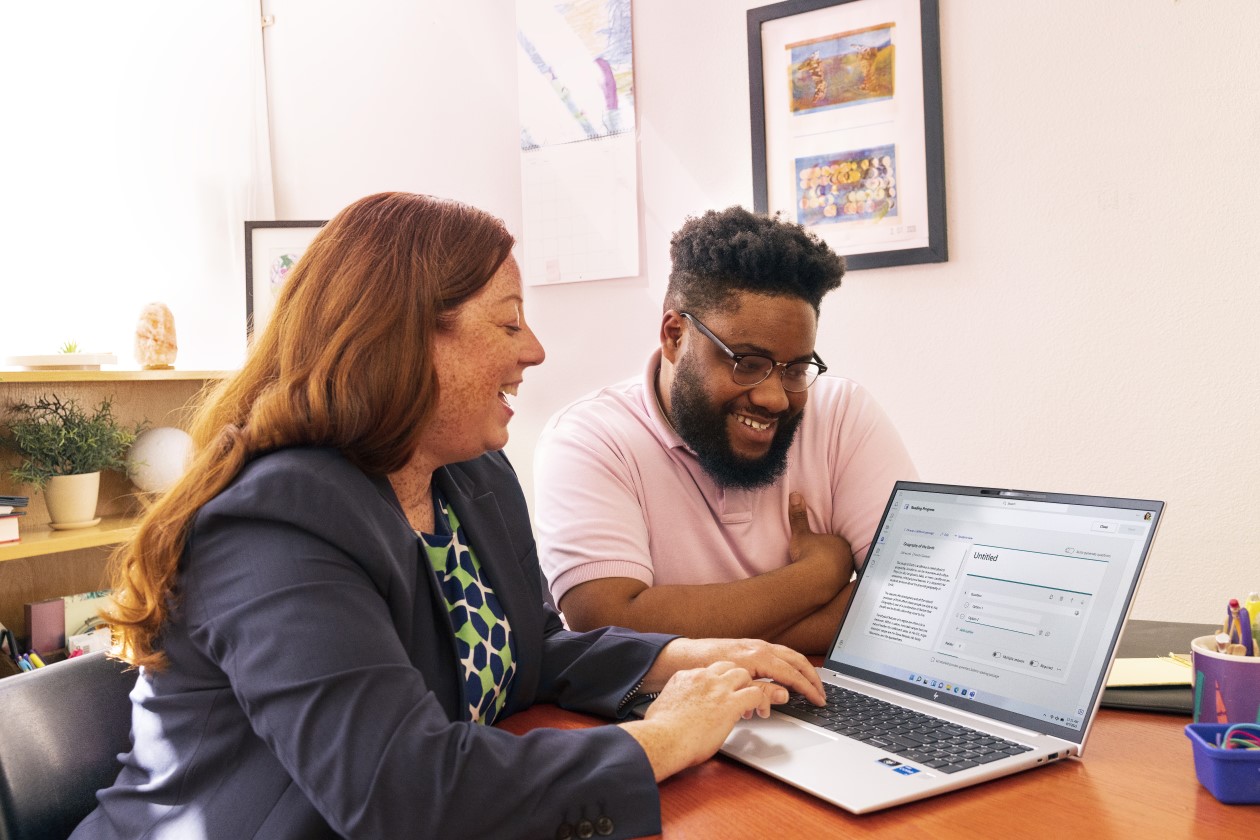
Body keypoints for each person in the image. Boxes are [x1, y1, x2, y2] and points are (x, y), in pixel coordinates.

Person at [71, 193, 824, 840]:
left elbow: (527, 649)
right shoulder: (274, 525)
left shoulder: (469, 474)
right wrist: (662, 739)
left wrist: (682, 658)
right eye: (509, 324)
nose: (535, 351)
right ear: (404, 337)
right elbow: (397, 787)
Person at [533, 206, 916, 654]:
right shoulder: (589, 438)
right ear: (674, 336)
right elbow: (609, 624)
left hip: (815, 691)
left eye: (796, 369)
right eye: (747, 364)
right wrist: (817, 576)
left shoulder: (841, 412)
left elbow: (913, 596)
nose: (775, 398)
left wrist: (710, 636)